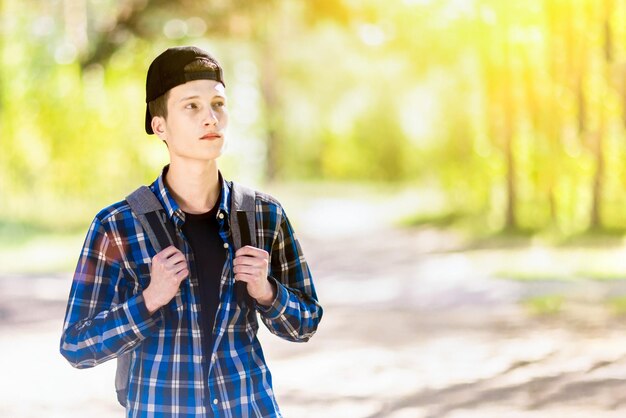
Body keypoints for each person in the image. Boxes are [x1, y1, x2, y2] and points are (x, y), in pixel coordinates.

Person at [60, 46, 323, 417]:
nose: (210, 119)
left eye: (218, 103)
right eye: (192, 106)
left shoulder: (263, 215)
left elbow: (306, 323)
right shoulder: (117, 226)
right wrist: (149, 299)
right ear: (159, 125)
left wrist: (267, 293)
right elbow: (76, 346)